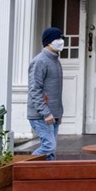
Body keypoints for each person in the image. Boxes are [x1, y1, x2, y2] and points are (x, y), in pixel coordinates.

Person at [28, 26, 65, 161]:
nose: (61, 41)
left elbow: (55, 90)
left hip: (52, 114)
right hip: (41, 115)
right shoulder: (40, 61)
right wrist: (46, 112)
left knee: (51, 151)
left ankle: (46, 179)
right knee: (49, 146)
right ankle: (25, 166)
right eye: (58, 38)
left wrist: (57, 114)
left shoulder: (55, 60)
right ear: (48, 42)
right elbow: (35, 89)